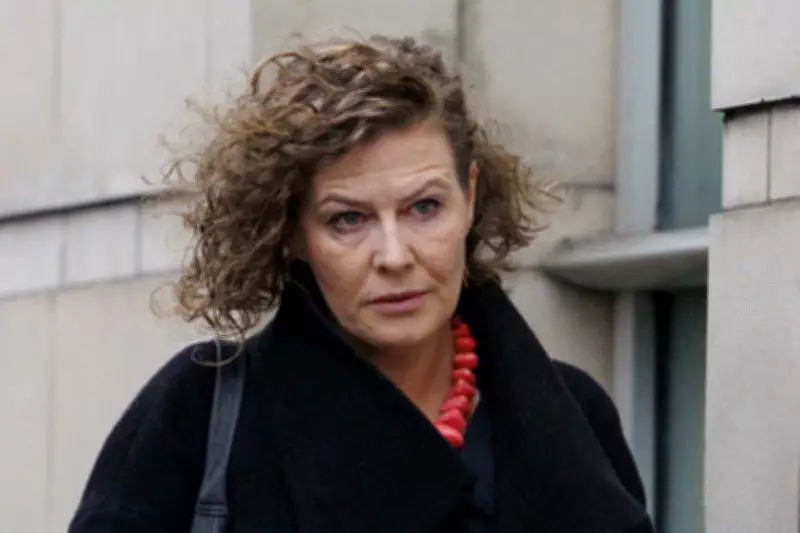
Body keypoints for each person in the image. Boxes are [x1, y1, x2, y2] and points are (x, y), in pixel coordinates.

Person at [69, 35, 654, 533]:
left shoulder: (571, 413)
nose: (394, 256)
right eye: (347, 219)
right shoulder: (199, 411)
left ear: (470, 196)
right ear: (292, 231)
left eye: (424, 207)